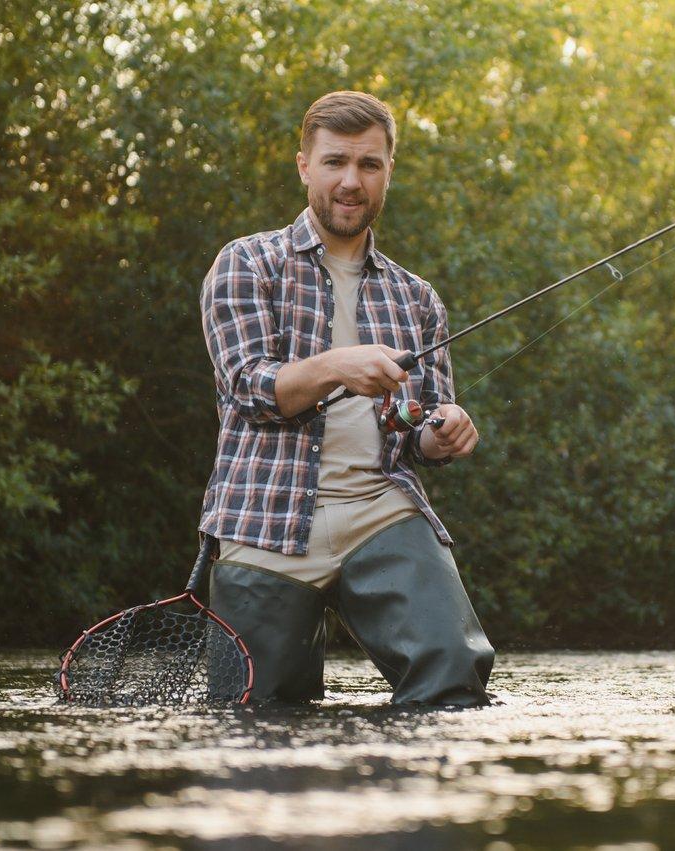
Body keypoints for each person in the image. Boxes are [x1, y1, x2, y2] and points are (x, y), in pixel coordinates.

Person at [198, 91, 493, 706]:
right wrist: (337, 366)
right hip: (262, 518)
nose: (351, 181)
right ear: (304, 165)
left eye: (369, 164)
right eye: (335, 162)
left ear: (389, 172)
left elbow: (417, 428)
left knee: (453, 683)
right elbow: (250, 388)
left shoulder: (418, 298)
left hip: (378, 509)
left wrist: (444, 430)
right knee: (256, 721)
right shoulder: (246, 264)